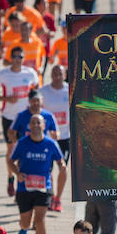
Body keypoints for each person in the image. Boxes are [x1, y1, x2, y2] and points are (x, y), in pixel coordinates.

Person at [10, 114, 67, 234]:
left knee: (40, 220)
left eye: (38, 123)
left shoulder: (51, 143)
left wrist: (62, 165)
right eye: (33, 122)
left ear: (44, 126)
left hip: (44, 188)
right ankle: (23, 228)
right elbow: (10, 161)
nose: (35, 125)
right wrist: (17, 173)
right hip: (24, 188)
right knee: (25, 221)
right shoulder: (22, 143)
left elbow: (60, 160)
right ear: (29, 126)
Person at [0, 46, 39, 197]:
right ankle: (11, 178)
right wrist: (6, 99)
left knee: (24, 150)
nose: (18, 59)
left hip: (26, 118)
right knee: (11, 151)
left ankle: (22, 182)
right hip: (9, 117)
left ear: (24, 58)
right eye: (15, 57)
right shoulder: (3, 74)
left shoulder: (30, 73)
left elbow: (36, 91)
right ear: (11, 58)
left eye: (20, 57)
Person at [41, 65, 70, 210]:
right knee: (48, 169)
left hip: (65, 137)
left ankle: (58, 197)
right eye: (54, 74)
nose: (57, 76)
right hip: (48, 138)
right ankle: (51, 195)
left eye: (60, 74)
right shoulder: (44, 91)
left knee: (63, 168)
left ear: (65, 75)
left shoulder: (70, 89)